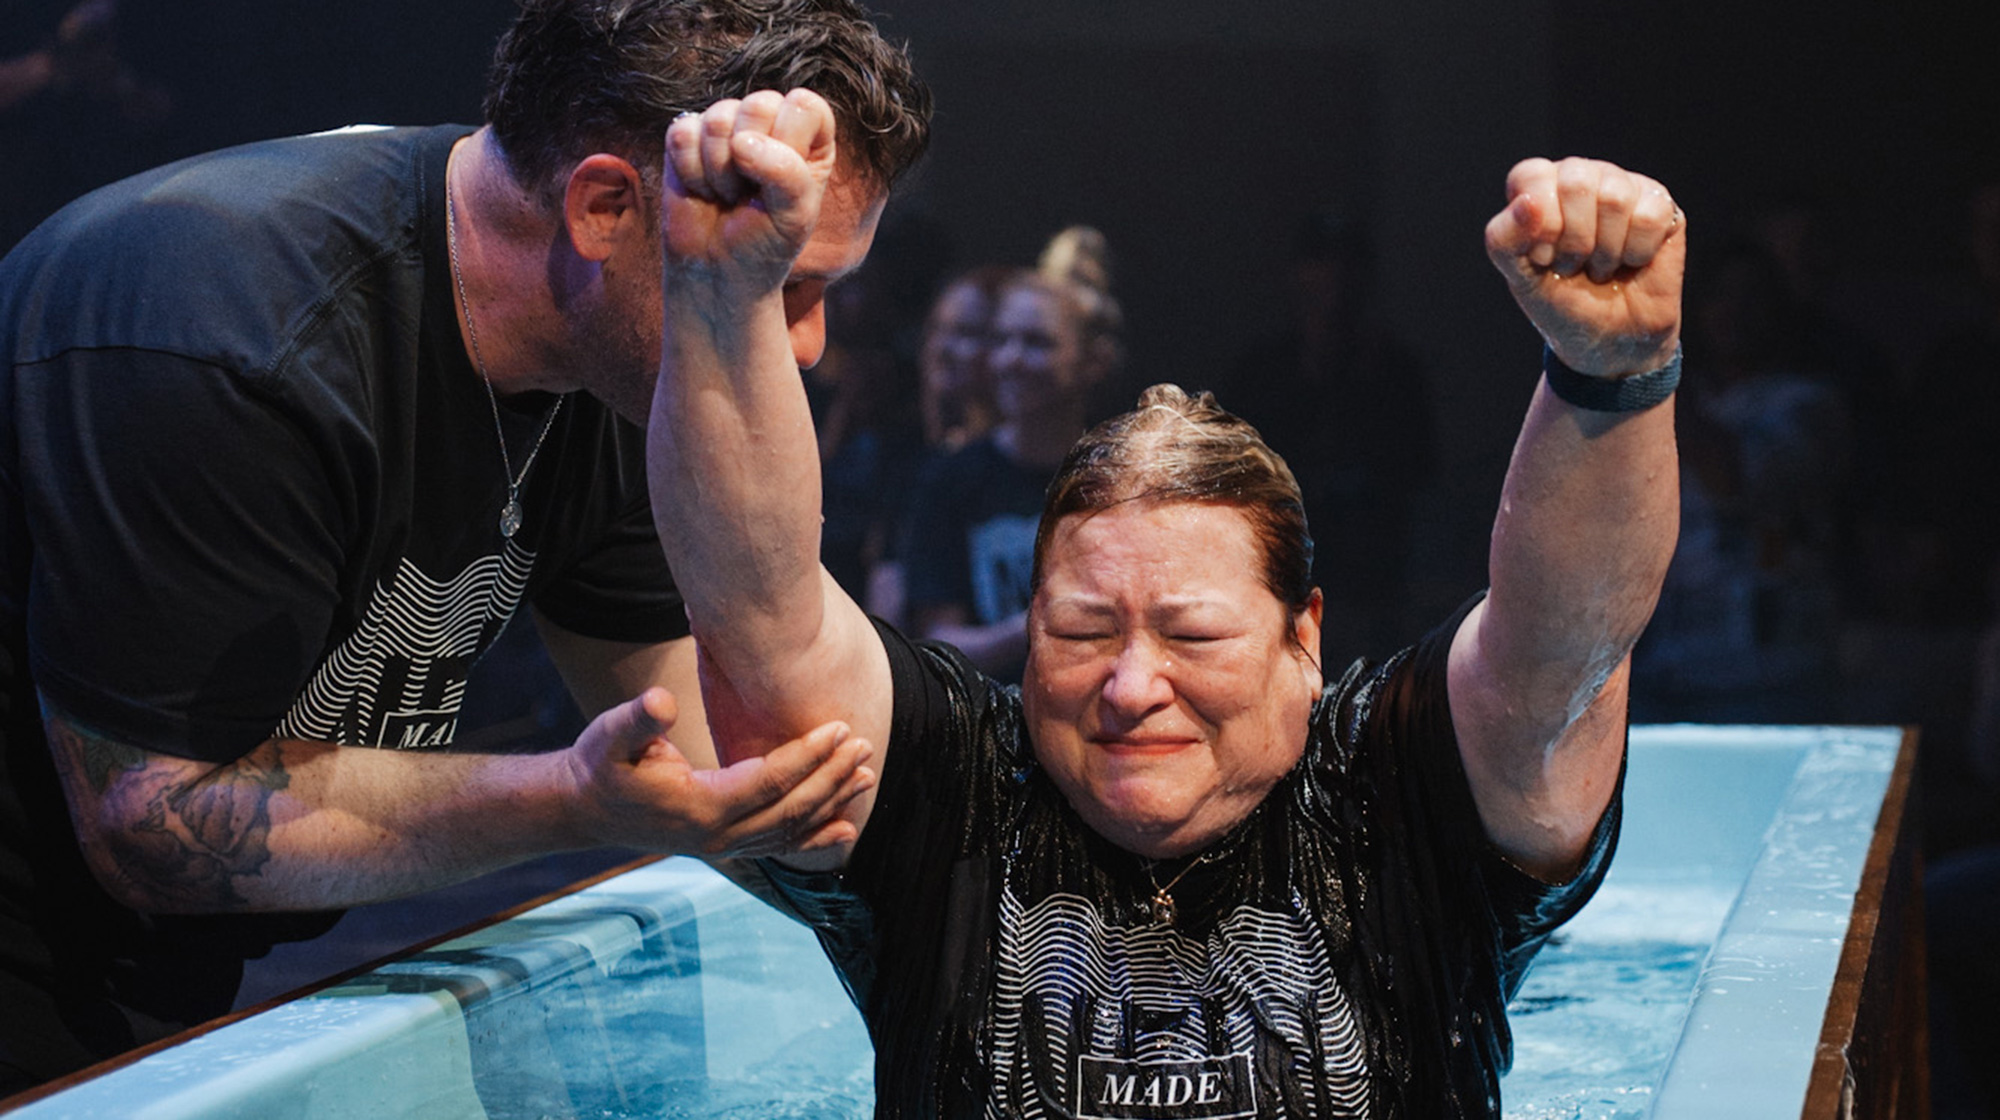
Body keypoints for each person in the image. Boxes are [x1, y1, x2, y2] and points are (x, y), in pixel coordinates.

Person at [648, 92, 1682, 1118]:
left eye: (1191, 633)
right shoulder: (947, 797)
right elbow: (760, 624)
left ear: (1301, 637)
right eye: (1081, 630)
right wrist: (721, 294)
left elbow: (1560, 650)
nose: (1130, 685)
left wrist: (1610, 374)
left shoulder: (1396, 793)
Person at [0, 0, 929, 1092]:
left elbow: (742, 746)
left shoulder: (626, 365)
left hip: (161, 961)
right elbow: (150, 825)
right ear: (603, 207)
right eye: (782, 287)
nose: (809, 347)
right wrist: (568, 798)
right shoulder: (220, 329)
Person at [901, 231, 1123, 681]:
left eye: (1037, 343)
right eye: (1002, 340)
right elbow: (936, 644)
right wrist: (1043, 621)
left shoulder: (1121, 476)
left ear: (1092, 362)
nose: (1011, 360)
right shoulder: (952, 478)